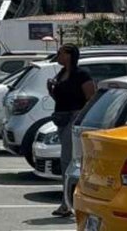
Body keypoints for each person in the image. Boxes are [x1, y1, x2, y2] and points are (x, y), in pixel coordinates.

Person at [46, 45, 95, 219]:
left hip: (74, 119)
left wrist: (80, 119)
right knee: (66, 160)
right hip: (61, 118)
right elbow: (60, 97)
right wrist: (52, 90)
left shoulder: (82, 75)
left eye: (60, 53)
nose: (57, 55)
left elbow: (90, 97)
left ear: (69, 55)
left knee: (67, 160)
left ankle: (66, 204)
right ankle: (69, 201)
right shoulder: (60, 74)